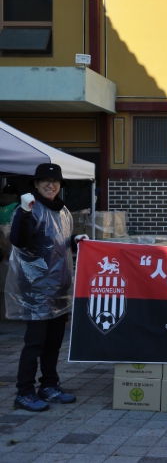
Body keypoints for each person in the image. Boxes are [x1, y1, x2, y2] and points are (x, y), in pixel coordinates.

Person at [6, 164, 86, 412]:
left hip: (59, 288)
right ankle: (24, 392)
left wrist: (75, 241)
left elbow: (55, 242)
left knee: (53, 343)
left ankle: (49, 385)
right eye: (45, 181)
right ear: (36, 184)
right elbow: (19, 240)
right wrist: (24, 212)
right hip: (36, 290)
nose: (51, 185)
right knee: (35, 343)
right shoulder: (29, 209)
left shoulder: (62, 210)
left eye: (55, 181)